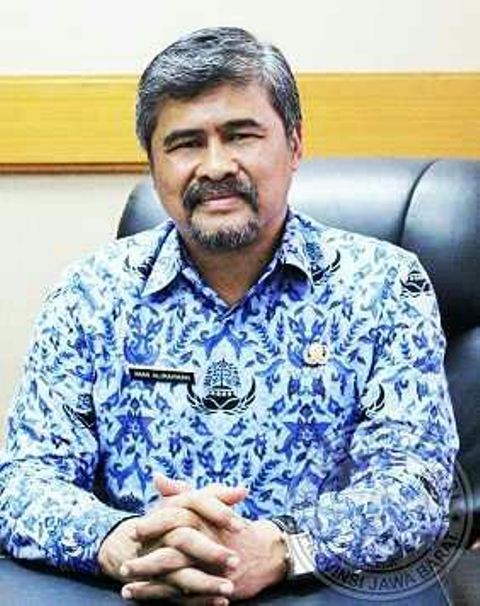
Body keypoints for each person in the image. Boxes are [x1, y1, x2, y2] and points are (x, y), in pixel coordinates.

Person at [0, 27, 458, 604]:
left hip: (313, 592)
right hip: (135, 591)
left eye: (241, 135)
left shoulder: (385, 287)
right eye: (185, 143)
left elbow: (415, 489)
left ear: (294, 145)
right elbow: (24, 482)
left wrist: (282, 548)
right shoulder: (90, 293)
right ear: (153, 165)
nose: (215, 165)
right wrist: (121, 542)